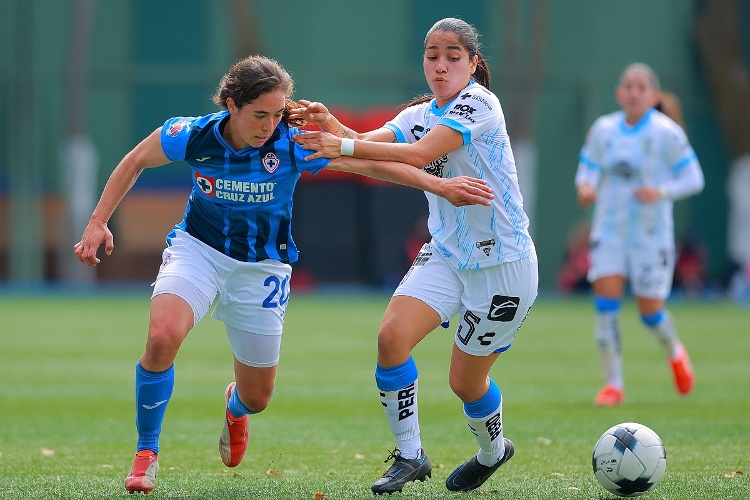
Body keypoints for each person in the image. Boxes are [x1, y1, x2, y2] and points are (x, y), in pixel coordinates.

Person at [73, 55, 495, 495]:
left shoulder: (291, 142)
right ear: (232, 106)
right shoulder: (193, 133)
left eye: (277, 115)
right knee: (161, 338)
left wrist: (440, 185)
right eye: (260, 115)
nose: (269, 125)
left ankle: (235, 407)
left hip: (262, 268)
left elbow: (368, 166)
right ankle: (147, 453)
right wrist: (97, 221)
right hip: (198, 250)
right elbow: (136, 159)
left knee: (258, 397)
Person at [293, 18, 538, 494]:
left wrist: (336, 147)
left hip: (503, 268)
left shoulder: (480, 104)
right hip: (446, 255)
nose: (440, 65)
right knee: (391, 338)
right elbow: (375, 146)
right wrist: (328, 127)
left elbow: (419, 155)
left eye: (452, 55)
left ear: (472, 63)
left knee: (465, 384)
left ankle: (493, 451)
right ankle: (410, 455)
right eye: (432, 55)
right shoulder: (418, 113)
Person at [574, 63, 705, 406]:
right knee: (606, 306)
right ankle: (613, 385)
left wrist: (660, 192)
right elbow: (587, 165)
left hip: (650, 235)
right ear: (619, 94)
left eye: (641, 87)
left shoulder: (666, 133)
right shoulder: (604, 130)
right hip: (609, 231)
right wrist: (585, 187)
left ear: (654, 96)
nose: (633, 92)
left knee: (650, 311)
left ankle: (675, 351)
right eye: (628, 86)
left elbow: (694, 177)